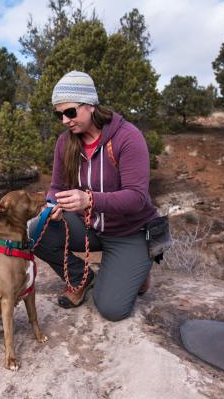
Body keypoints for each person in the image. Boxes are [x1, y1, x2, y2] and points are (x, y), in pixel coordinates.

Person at [32, 70, 158, 321]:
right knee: (35, 231)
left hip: (129, 232)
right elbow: (56, 186)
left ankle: (138, 266)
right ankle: (81, 277)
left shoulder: (128, 137)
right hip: (90, 227)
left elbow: (137, 198)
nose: (65, 121)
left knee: (112, 309)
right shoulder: (65, 143)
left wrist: (89, 200)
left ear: (89, 105)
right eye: (59, 114)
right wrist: (52, 205)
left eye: (70, 112)